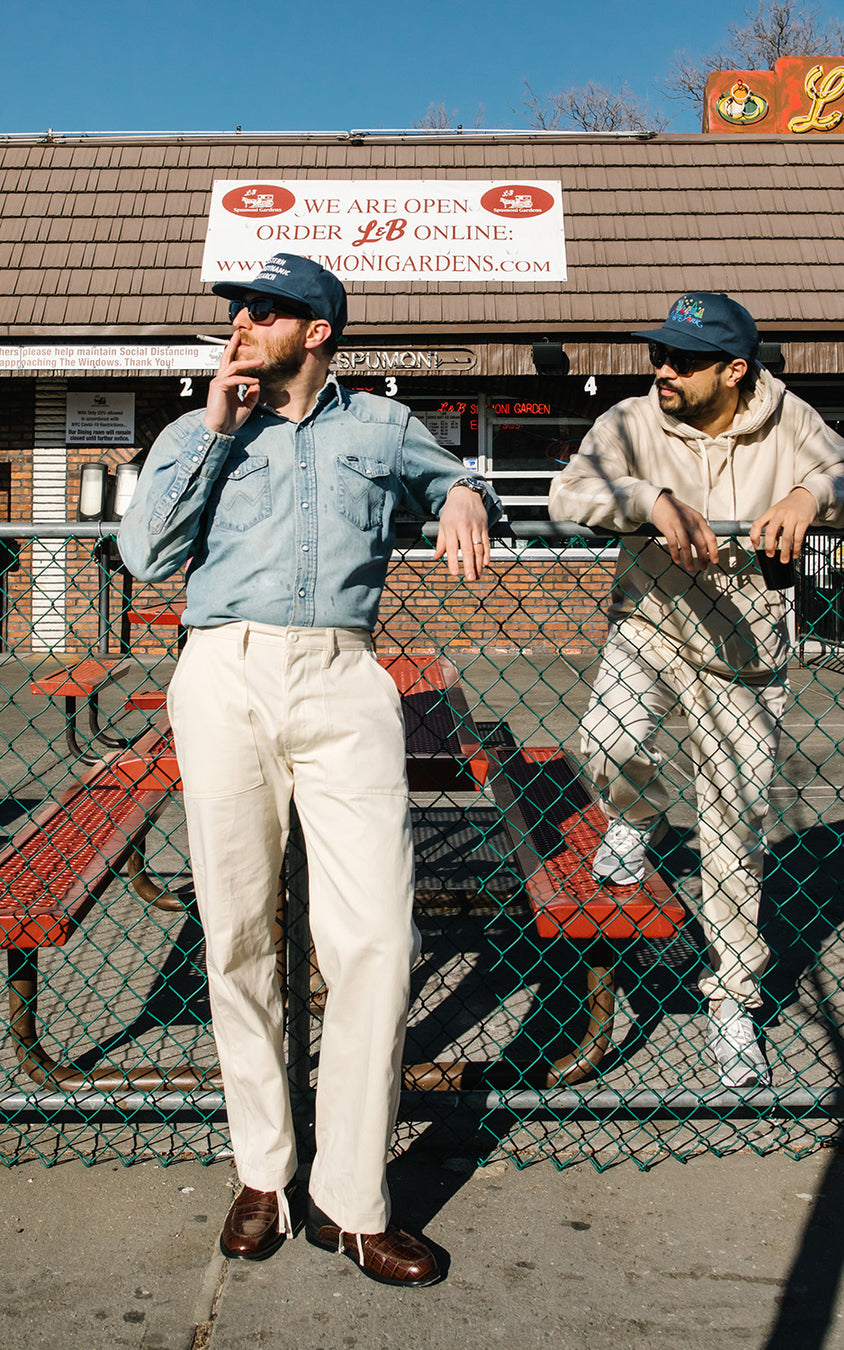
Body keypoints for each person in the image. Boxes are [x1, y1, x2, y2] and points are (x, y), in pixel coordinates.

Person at [118, 254, 501, 1285]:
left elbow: (457, 478)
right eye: (236, 309)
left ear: (319, 330)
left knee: (378, 935)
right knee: (238, 927)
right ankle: (262, 1173)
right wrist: (214, 428)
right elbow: (145, 557)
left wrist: (464, 493)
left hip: (343, 677)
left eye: (266, 310)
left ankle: (354, 1203)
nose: (241, 323)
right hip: (223, 673)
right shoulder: (195, 429)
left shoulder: (379, 426)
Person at [549, 292, 844, 1089]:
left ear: (735, 371)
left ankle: (732, 1003)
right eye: (658, 355)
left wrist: (810, 497)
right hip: (652, 623)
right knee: (609, 743)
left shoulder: (789, 416)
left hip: (745, 650)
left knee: (734, 833)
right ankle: (635, 816)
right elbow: (567, 496)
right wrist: (648, 501)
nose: (662, 369)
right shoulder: (630, 421)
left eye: (682, 360)